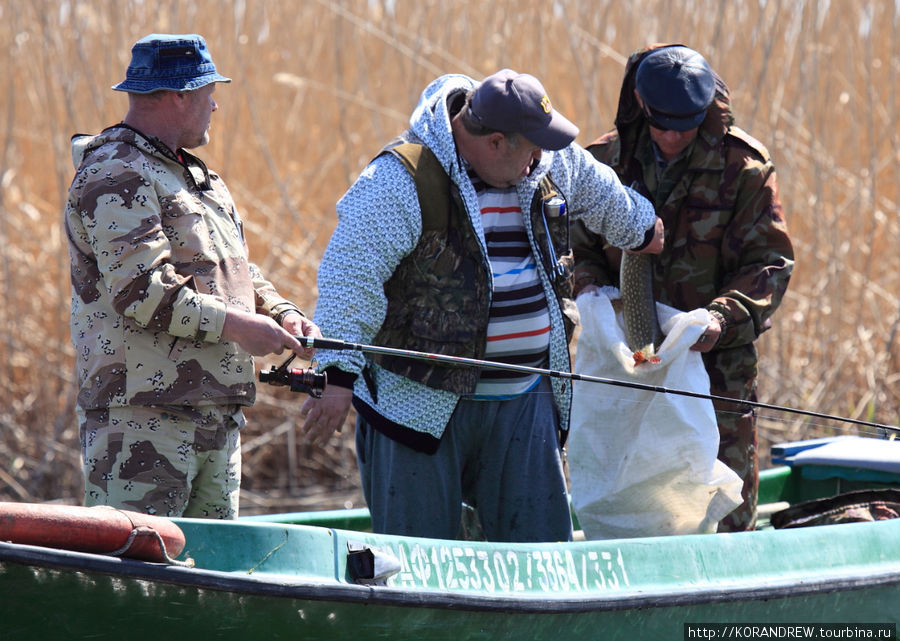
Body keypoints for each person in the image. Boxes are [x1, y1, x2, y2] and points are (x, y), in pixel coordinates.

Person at [300, 68, 663, 542]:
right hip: (416, 411)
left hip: (523, 401)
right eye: (533, 149)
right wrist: (338, 374)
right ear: (495, 142)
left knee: (540, 563)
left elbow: (602, 194)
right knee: (420, 566)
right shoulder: (397, 180)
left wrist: (643, 227)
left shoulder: (545, 159)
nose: (542, 159)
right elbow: (349, 276)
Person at [65, 33, 320, 519]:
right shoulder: (116, 172)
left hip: (215, 418)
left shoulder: (195, 178)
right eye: (208, 91)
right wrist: (241, 327)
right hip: (142, 421)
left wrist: (284, 316)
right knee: (139, 583)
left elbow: (234, 272)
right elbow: (142, 292)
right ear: (180, 95)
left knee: (213, 585)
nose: (216, 105)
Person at [571, 45, 794, 532]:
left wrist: (720, 318)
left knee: (725, 509)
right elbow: (578, 250)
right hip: (628, 370)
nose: (672, 137)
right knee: (637, 497)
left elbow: (769, 264)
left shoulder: (745, 168)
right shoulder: (601, 163)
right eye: (662, 124)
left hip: (717, 372)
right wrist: (591, 291)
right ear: (642, 106)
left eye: (685, 126)